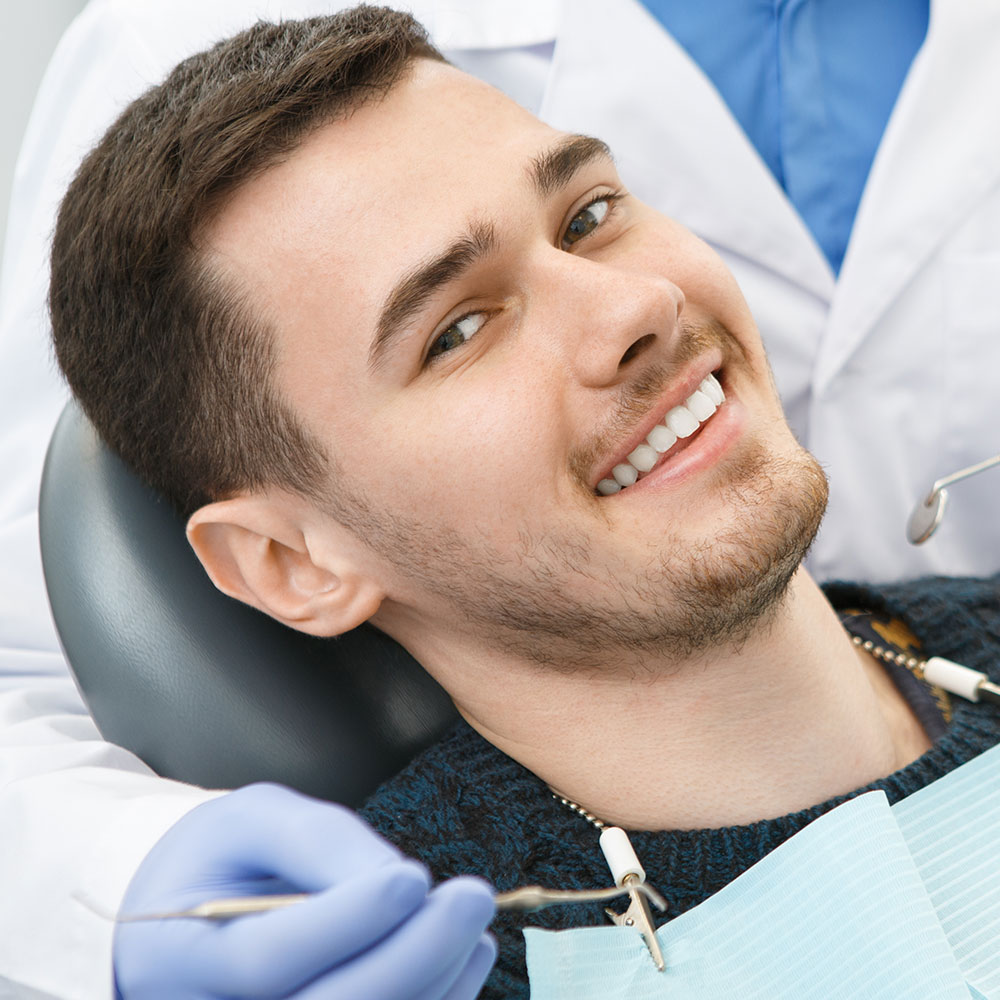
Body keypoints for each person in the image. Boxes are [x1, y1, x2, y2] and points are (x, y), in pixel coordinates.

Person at [3, 1, 999, 995]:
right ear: (295, 562)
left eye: (590, 216)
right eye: (456, 331)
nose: (637, 308)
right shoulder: (452, 966)